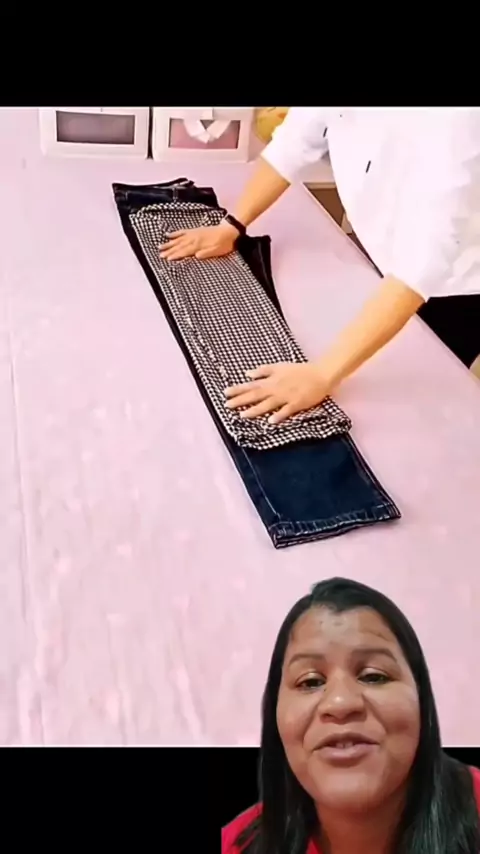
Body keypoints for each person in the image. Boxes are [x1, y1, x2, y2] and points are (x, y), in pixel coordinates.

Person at [160, 108, 480, 425]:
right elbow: (293, 143)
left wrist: (322, 375)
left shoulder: (457, 120)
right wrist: (232, 225)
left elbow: (422, 263)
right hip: (391, 253)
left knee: (424, 405)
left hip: (456, 284)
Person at [221, 577, 480, 854]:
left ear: (421, 698)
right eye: (310, 682)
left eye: (374, 676)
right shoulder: (237, 845)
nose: (341, 703)